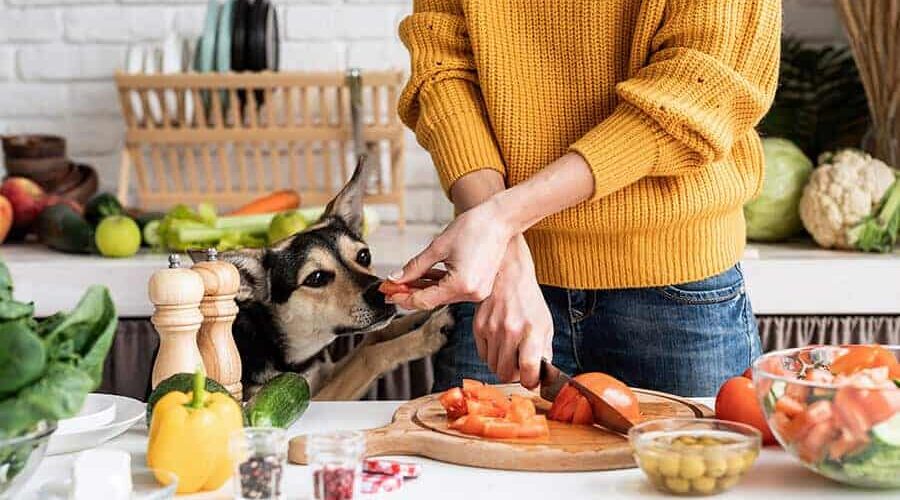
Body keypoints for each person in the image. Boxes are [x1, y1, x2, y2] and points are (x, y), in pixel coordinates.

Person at [389, 0, 781, 396]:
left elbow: (701, 89)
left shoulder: (497, 227)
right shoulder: (499, 253)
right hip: (497, 285)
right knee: (463, 456)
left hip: (676, 288)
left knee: (692, 459)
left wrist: (500, 221)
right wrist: (503, 252)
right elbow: (443, 67)